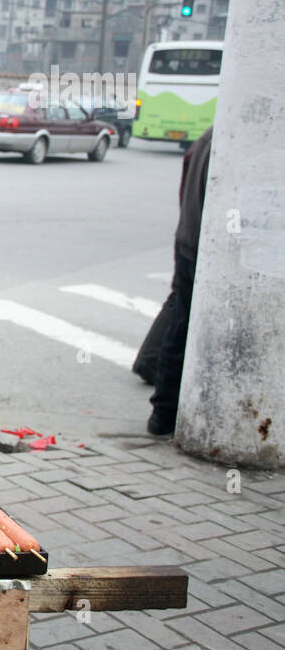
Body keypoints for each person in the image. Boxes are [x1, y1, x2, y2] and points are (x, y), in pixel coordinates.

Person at [146, 126, 214, 437]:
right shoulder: (227, 140)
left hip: (190, 236)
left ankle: (160, 400)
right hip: (201, 245)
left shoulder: (207, 138)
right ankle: (164, 410)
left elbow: (185, 185)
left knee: (179, 316)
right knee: (182, 323)